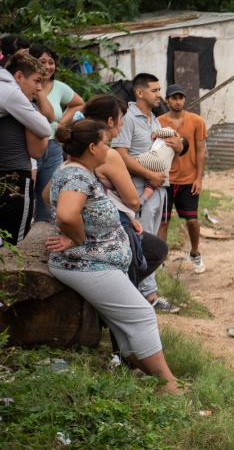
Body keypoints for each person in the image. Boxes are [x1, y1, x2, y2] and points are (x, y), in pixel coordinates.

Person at [45, 119, 179, 394]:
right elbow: (66, 214)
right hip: (86, 264)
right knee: (142, 314)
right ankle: (169, 386)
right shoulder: (77, 175)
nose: (109, 147)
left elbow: (50, 196)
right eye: (105, 142)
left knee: (128, 318)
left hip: (96, 261)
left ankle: (143, 370)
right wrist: (77, 238)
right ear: (93, 147)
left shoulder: (76, 170)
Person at [80, 94, 170, 292]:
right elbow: (132, 201)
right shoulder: (107, 153)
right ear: (110, 121)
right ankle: (129, 294)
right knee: (156, 250)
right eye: (121, 118)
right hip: (107, 229)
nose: (122, 124)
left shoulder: (76, 145)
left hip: (87, 223)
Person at [111, 73, 182, 312]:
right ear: (139, 92)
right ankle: (147, 296)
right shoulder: (128, 118)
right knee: (143, 241)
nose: (159, 95)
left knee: (151, 239)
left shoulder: (155, 120)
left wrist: (177, 147)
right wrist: (150, 175)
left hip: (157, 188)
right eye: (154, 90)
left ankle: (145, 293)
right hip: (138, 189)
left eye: (159, 89)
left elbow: (163, 148)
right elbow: (120, 154)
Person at [29, 45, 84, 222]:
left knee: (50, 198)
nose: (48, 66)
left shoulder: (59, 87)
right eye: (42, 61)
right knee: (27, 198)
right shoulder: (24, 86)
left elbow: (78, 103)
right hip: (28, 148)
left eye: (51, 62)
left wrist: (61, 123)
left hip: (53, 148)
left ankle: (42, 243)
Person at [0, 53, 50, 245]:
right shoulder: (11, 93)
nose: (39, 88)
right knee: (15, 245)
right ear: (19, 76)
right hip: (14, 179)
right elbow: (44, 129)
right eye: (37, 81)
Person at [158, 84, 208, 273]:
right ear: (167, 100)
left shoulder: (196, 121)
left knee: (192, 221)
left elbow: (201, 151)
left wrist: (199, 178)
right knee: (163, 221)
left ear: (184, 100)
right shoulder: (159, 121)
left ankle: (195, 253)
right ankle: (160, 259)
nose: (178, 101)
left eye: (181, 98)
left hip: (188, 180)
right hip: (165, 180)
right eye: (174, 98)